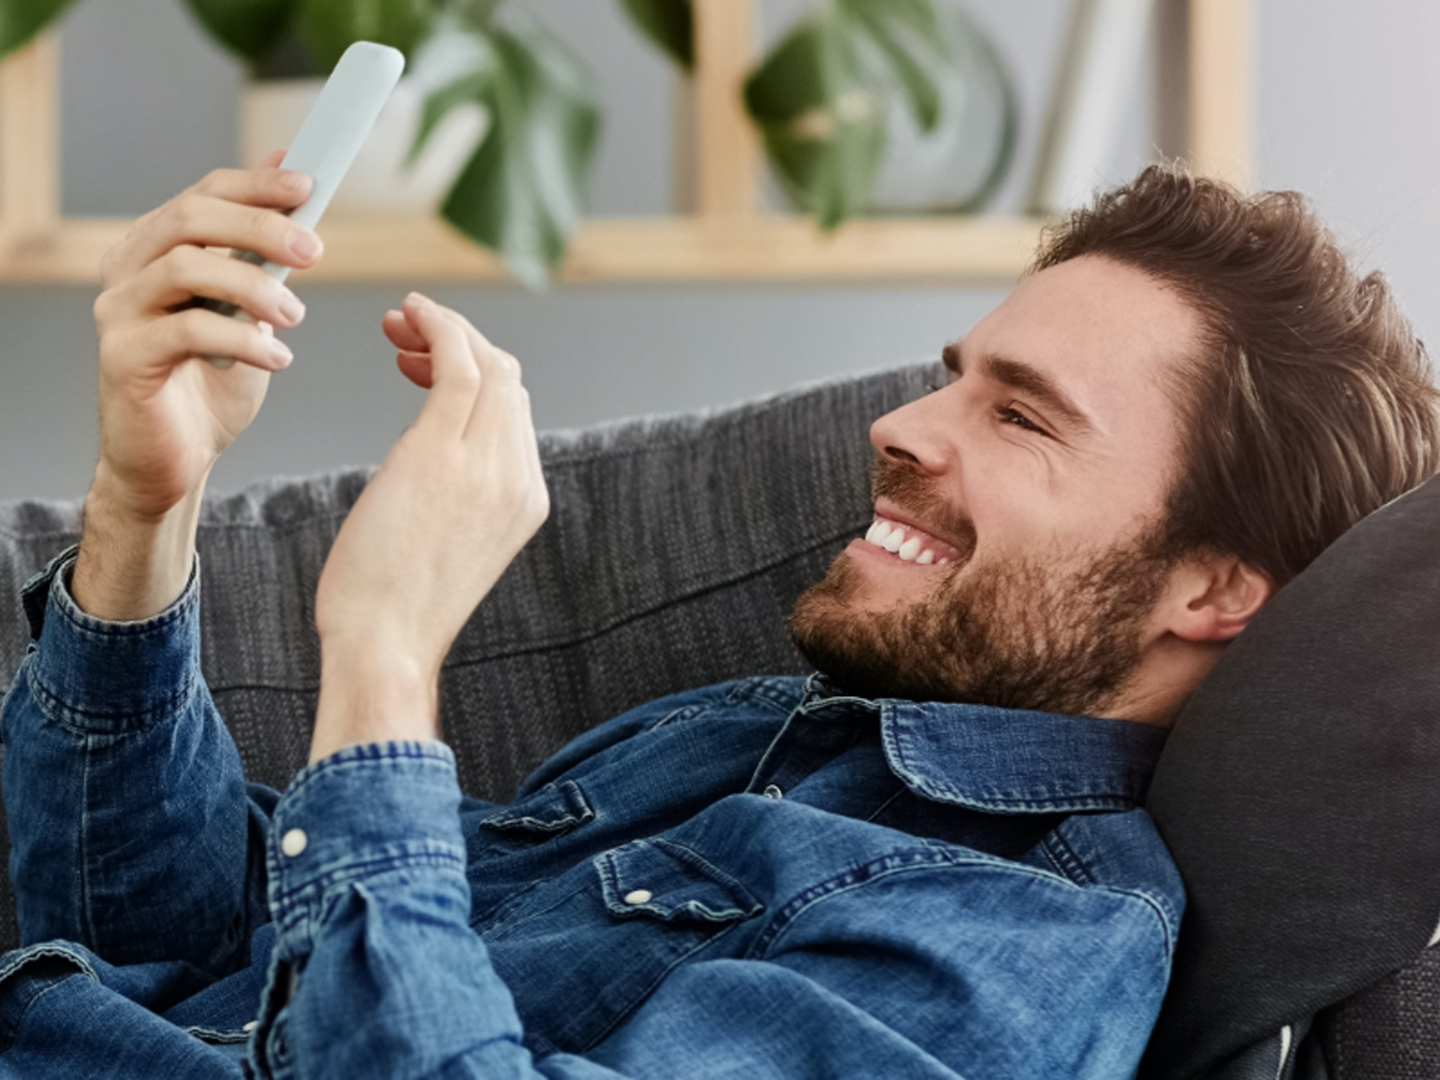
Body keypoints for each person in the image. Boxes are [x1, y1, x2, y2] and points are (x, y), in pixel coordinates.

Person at [0, 159, 1434, 1080]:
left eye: (1020, 415)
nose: (902, 425)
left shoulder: (1022, 945)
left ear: (1216, 586)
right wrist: (147, 507)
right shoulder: (759, 736)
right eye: (954, 373)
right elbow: (182, 954)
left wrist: (384, 654)